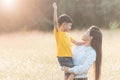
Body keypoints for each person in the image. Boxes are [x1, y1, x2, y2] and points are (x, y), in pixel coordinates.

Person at [52, 2, 84, 80]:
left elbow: (77, 43)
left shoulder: (67, 35)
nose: (70, 27)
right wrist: (55, 9)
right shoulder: (58, 32)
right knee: (74, 72)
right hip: (63, 57)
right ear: (64, 24)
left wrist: (88, 42)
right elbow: (55, 22)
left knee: (68, 75)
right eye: (69, 25)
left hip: (68, 57)